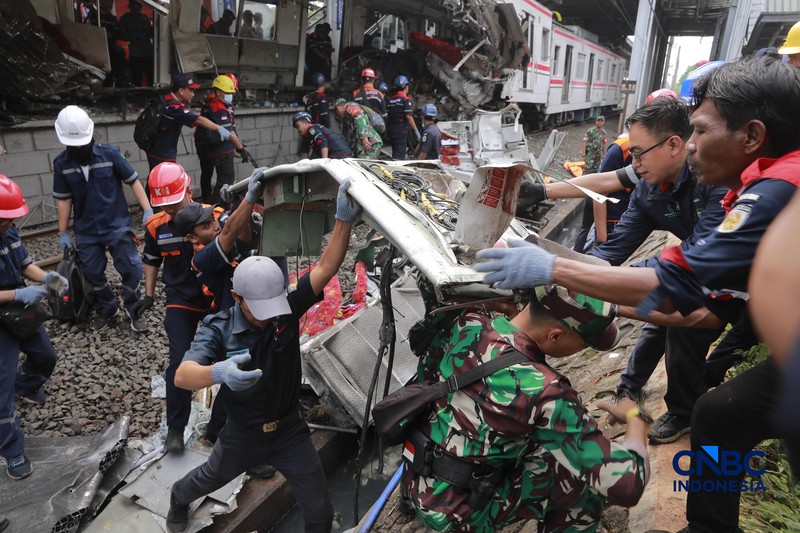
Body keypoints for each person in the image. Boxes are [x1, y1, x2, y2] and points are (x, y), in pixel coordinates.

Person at [474, 56, 800, 533]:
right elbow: (614, 194)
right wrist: (543, 195)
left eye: (701, 132)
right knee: (719, 415)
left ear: (751, 137)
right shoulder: (738, 181)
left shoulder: (772, 192)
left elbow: (685, 284)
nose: (692, 144)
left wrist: (553, 268)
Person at [165, 180, 361, 533]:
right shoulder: (219, 326)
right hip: (242, 433)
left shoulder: (284, 307)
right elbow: (183, 374)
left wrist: (343, 220)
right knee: (207, 478)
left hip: (290, 431)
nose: (267, 316)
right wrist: (217, 372)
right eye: (257, 309)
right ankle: (178, 498)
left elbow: (326, 267)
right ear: (237, 298)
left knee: (319, 512)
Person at [403, 284, 649, 531]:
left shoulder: (468, 318)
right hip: (457, 511)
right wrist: (635, 418)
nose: (582, 348)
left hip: (418, 472)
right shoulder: (545, 390)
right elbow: (627, 485)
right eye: (584, 344)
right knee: (582, 483)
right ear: (555, 335)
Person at [132, 162, 222, 453]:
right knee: (179, 362)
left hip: (214, 300)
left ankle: (219, 429)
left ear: (190, 192)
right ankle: (175, 429)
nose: (170, 213)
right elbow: (151, 259)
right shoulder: (157, 226)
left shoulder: (215, 219)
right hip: (180, 301)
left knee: (227, 360)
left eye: (174, 205)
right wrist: (148, 295)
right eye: (165, 208)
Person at [52, 105, 152, 332]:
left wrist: (147, 210)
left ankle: (133, 306)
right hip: (87, 229)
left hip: (116, 224)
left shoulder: (110, 154)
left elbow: (133, 180)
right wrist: (62, 231)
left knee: (131, 268)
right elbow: (64, 199)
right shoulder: (62, 164)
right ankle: (108, 307)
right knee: (93, 272)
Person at [0, 174, 69, 482]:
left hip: (17, 307)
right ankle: (12, 450)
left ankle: (25, 387)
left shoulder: (8, 230)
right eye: (4, 219)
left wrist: (46, 278)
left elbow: (24, 263)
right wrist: (17, 294)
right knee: (1, 386)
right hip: (6, 308)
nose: (9, 224)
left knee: (46, 356)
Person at [145, 73, 235, 173]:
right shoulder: (174, 108)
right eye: (191, 90)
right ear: (181, 91)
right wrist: (219, 128)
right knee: (163, 182)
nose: (193, 94)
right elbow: (199, 120)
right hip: (162, 152)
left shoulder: (166, 98)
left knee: (154, 180)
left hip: (156, 148)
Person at [195, 75, 251, 208]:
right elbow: (228, 133)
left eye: (232, 93)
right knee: (225, 179)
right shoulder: (217, 107)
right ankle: (217, 208)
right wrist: (241, 149)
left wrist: (238, 143)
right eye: (228, 93)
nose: (230, 95)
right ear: (218, 92)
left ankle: (208, 204)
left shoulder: (222, 103)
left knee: (208, 176)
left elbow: (231, 127)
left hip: (211, 144)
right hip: (217, 148)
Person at [386, 75, 420, 160]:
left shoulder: (391, 100)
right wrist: (416, 131)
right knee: (399, 156)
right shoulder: (406, 100)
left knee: (395, 152)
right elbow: (409, 116)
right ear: (406, 87)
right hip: (401, 131)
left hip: (392, 130)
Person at [119, 0, 153, 87]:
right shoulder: (125, 18)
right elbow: (122, 35)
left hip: (147, 52)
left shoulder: (144, 17)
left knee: (151, 77)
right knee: (136, 79)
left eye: (138, 6)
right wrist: (134, 35)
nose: (136, 8)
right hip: (135, 53)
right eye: (134, 6)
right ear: (129, 6)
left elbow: (150, 33)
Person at [98, 0, 131, 88]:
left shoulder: (112, 18)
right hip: (99, 44)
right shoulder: (94, 15)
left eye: (111, 2)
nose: (109, 4)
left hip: (110, 44)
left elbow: (119, 33)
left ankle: (119, 78)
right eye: (107, 1)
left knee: (120, 53)